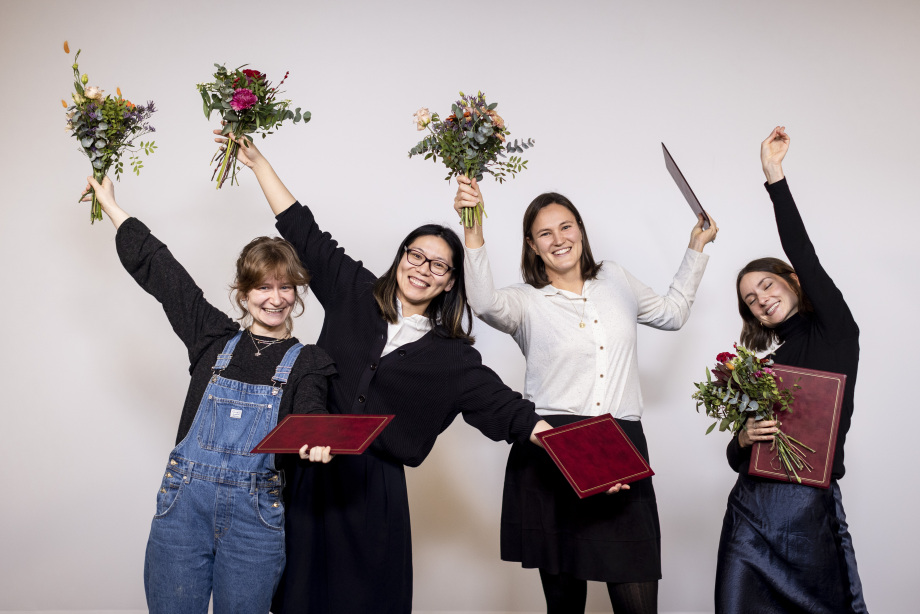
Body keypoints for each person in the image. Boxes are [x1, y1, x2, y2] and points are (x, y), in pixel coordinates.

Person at [212, 133, 553, 614]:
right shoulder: (353, 290)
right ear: (400, 257)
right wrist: (257, 161)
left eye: (439, 265)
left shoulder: (453, 359)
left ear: (451, 281)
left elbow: (510, 412)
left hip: (374, 496)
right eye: (416, 255)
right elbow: (302, 230)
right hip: (307, 477)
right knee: (295, 599)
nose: (423, 268)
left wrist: (584, 456)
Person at [453, 177, 718, 613]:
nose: (559, 239)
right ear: (532, 246)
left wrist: (696, 247)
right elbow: (481, 302)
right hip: (553, 446)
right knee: (564, 603)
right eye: (545, 233)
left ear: (581, 231)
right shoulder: (524, 301)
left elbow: (672, 314)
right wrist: (472, 225)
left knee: (636, 592)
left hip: (620, 440)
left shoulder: (615, 277)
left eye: (567, 226)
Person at [83, 176, 336, 614]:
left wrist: (314, 442)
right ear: (243, 293)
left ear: (297, 294)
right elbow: (165, 275)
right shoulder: (212, 339)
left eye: (285, 287)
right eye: (263, 287)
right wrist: (111, 206)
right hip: (183, 512)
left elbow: (311, 411)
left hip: (254, 523)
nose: (275, 299)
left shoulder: (308, 362)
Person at [714, 127, 867, 613]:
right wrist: (743, 438)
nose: (761, 299)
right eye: (751, 300)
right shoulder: (765, 367)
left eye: (766, 285)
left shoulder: (836, 331)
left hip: (806, 514)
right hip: (750, 512)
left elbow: (805, 252)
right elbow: (739, 454)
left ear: (792, 280)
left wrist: (774, 177)